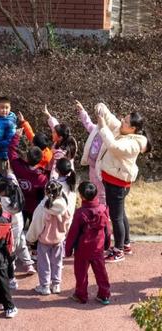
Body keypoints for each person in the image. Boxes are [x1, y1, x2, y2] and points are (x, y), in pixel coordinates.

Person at [95, 105, 151, 262]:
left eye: (125, 121)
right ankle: (126, 244)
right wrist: (101, 108)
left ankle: (118, 250)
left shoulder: (134, 143)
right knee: (120, 214)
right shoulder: (123, 130)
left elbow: (115, 147)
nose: (121, 121)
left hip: (117, 184)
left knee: (116, 217)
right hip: (114, 180)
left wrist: (102, 127)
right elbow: (111, 118)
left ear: (133, 128)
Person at [66, 180, 111, 305]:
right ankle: (104, 295)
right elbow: (108, 229)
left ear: (82, 196)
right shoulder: (103, 209)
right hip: (98, 248)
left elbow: (73, 233)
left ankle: (81, 295)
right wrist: (107, 244)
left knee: (81, 274)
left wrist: (68, 249)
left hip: (82, 249)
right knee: (101, 273)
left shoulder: (80, 213)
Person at [26, 179, 75, 295]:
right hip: (59, 239)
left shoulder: (43, 208)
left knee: (44, 263)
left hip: (44, 240)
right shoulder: (65, 206)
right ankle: (56, 285)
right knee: (57, 262)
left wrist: (30, 238)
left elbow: (36, 225)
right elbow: (68, 223)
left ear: (46, 192)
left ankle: (45, 286)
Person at [0, 175, 33, 279]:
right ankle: (29, 264)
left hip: (10, 228)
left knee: (10, 249)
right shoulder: (17, 196)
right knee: (22, 245)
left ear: (4, 191)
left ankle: (11, 271)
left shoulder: (4, 200)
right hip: (19, 225)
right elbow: (13, 180)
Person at [8, 129, 48, 222]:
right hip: (34, 207)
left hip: (19, 203)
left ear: (27, 156)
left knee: (19, 223)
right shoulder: (42, 178)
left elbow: (11, 151)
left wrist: (16, 136)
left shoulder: (18, 166)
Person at [75, 99, 106, 204]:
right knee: (93, 186)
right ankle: (94, 204)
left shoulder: (109, 133)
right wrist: (82, 110)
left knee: (102, 191)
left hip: (102, 168)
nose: (98, 119)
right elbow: (87, 123)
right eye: (97, 116)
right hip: (92, 165)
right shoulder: (95, 129)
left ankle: (103, 209)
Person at [43, 106, 78, 174]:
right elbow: (55, 125)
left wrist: (51, 178)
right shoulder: (67, 138)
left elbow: (55, 170)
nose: (52, 133)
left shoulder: (60, 153)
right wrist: (48, 114)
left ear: (60, 137)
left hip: (61, 174)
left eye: (54, 132)